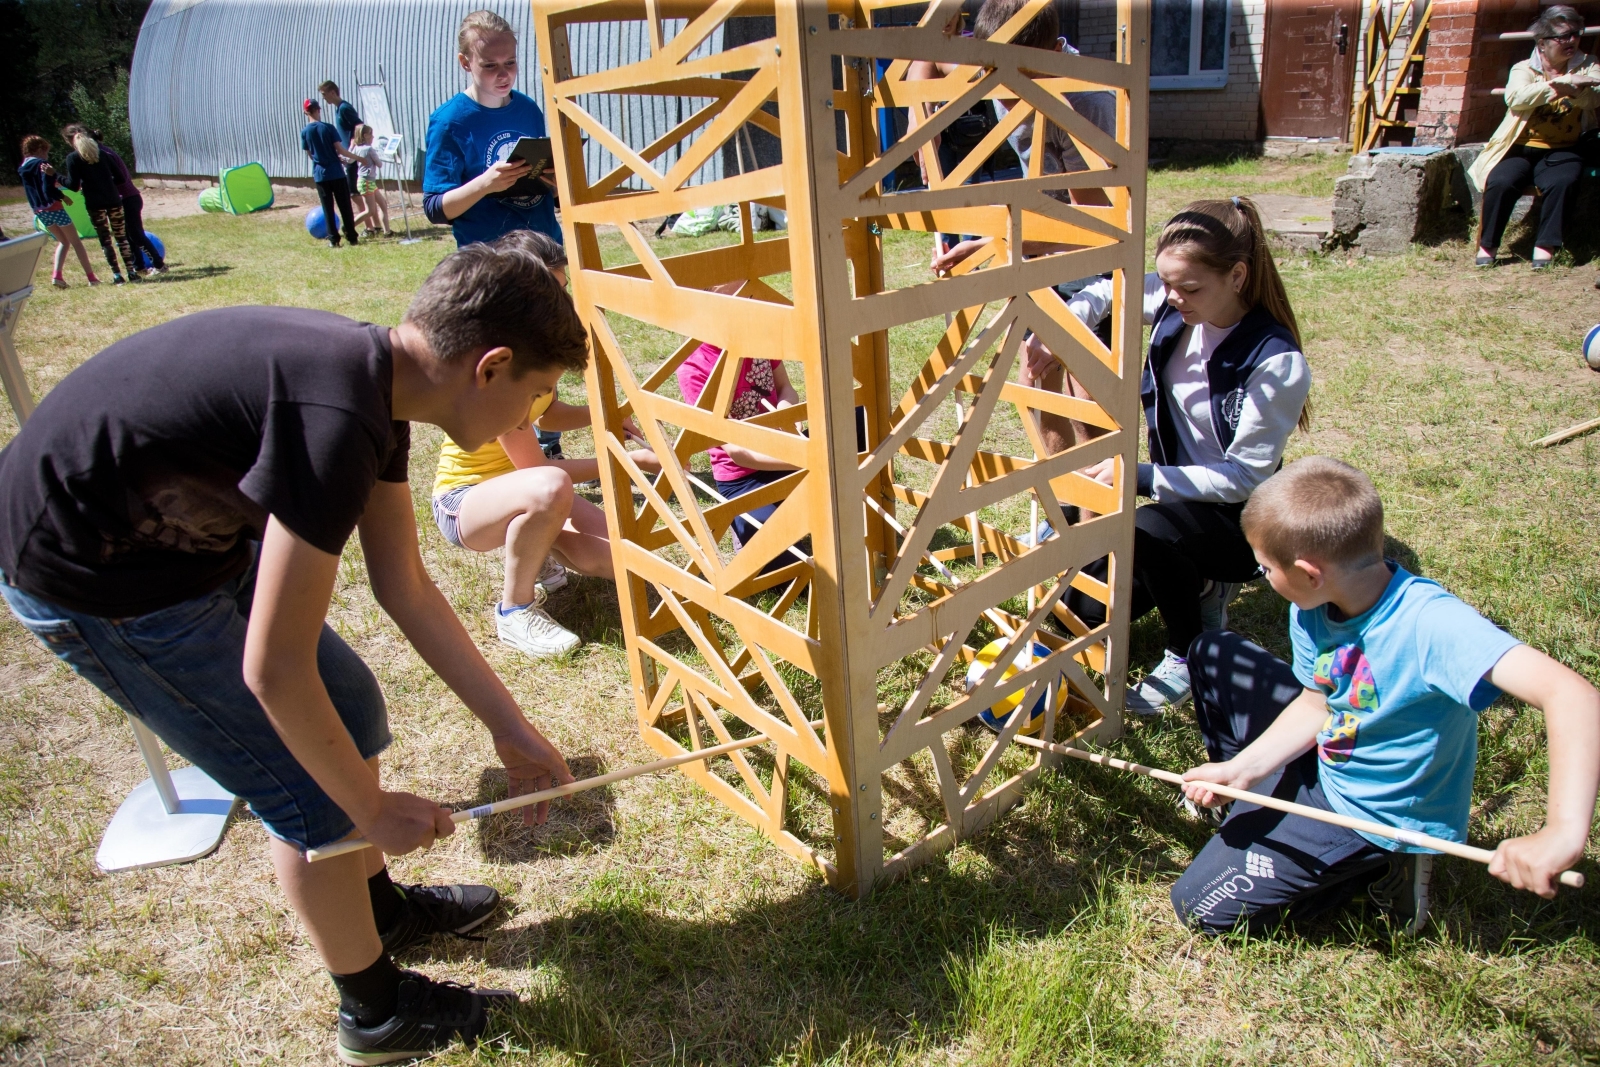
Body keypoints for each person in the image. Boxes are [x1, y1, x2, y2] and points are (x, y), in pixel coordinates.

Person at [0, 235, 583, 1062]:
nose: (531, 422)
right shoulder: (337, 414)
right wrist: (371, 810)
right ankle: (375, 1013)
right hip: (93, 575)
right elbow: (272, 669)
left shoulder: (380, 390)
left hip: (182, 547)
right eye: (536, 397)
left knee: (348, 709)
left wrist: (510, 726)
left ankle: (376, 910)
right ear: (488, 368)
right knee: (316, 794)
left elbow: (404, 586)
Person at [1170, 457, 1600, 935]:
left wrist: (1561, 832)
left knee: (1199, 908)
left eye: (1265, 567)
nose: (1263, 576)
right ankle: (1252, 807)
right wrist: (1239, 770)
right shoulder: (1316, 605)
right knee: (1213, 651)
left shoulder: (1431, 625)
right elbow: (1318, 704)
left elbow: (1574, 696)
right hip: (1334, 751)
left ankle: (1381, 863)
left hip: (1372, 811)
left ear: (1310, 573)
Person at [1064, 197, 1311, 714]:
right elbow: (1110, 292)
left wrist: (1141, 476)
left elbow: (1245, 479)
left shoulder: (1276, 362)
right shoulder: (1179, 300)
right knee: (1080, 610)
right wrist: (1071, 325)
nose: (1170, 298)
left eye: (1188, 288)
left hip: (1241, 522)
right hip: (1178, 498)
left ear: (1238, 275)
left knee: (1149, 531)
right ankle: (1195, 580)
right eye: (1165, 283)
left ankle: (1189, 651)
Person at [922, 0, 1118, 496]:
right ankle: (1065, 506)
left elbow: (1092, 224)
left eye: (1019, 81)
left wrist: (995, 244)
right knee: (1035, 377)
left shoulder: (1083, 101)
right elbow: (928, 59)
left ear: (1054, 53)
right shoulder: (1000, 58)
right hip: (1038, 236)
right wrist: (925, 125)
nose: (1006, 98)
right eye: (997, 78)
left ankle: (1093, 524)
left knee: (1086, 394)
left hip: (1089, 252)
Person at [432, 232, 660, 657]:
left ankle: (537, 547)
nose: (561, 305)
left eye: (563, 289)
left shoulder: (535, 351)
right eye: (552, 291)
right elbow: (536, 471)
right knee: (550, 487)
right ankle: (514, 611)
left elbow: (548, 414)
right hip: (465, 503)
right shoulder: (502, 367)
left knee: (618, 560)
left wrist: (606, 414)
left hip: (528, 489)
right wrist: (624, 460)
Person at [424, 10, 567, 458]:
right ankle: (510, 451)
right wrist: (486, 183)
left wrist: (553, 180)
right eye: (490, 65)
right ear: (465, 63)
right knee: (510, 360)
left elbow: (556, 180)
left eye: (510, 63)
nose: (503, 74)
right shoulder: (450, 122)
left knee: (550, 351)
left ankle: (549, 443)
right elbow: (435, 207)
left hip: (545, 254)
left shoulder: (527, 109)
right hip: (494, 267)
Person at [674, 308, 809, 572]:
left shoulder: (757, 338)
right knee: (788, 570)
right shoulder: (694, 368)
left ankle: (796, 508)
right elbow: (738, 452)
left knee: (857, 419)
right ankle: (745, 522)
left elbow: (785, 388)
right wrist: (808, 459)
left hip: (787, 451)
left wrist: (785, 410)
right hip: (743, 478)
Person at [1469, 6, 1600, 269]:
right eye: (1562, 37)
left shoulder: (1589, 64)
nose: (1572, 41)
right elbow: (1515, 98)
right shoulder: (1524, 68)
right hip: (1519, 146)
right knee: (1501, 180)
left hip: (1564, 147)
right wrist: (1556, 86)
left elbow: (1595, 98)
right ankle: (1489, 244)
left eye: (1576, 34)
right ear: (1542, 43)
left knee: (1564, 180)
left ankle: (1545, 245)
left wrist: (1575, 90)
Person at [84, 126, 167, 275]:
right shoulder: (103, 152)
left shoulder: (104, 154)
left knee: (136, 235)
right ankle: (139, 267)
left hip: (128, 198)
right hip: (126, 198)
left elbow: (120, 178)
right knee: (129, 236)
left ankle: (159, 265)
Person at [17, 135, 98, 288]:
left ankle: (57, 276)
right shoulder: (42, 164)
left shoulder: (23, 168)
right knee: (76, 243)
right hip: (54, 208)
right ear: (40, 149)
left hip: (40, 211)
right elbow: (47, 187)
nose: (47, 155)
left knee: (63, 241)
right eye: (46, 151)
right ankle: (92, 278)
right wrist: (62, 196)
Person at [59, 129, 139, 284]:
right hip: (113, 200)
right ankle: (131, 271)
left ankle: (117, 275)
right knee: (121, 237)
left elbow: (73, 185)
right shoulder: (103, 155)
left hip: (95, 204)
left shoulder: (73, 158)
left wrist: (56, 176)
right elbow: (121, 178)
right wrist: (107, 184)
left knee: (105, 240)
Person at [302, 98, 364, 248]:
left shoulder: (305, 132)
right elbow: (340, 149)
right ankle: (351, 237)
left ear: (306, 112)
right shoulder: (328, 128)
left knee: (327, 208)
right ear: (318, 110)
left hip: (320, 175)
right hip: (336, 172)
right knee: (345, 206)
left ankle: (333, 240)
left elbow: (310, 154)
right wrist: (358, 158)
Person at [319, 80, 364, 195]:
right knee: (353, 190)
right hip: (346, 154)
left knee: (353, 191)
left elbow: (359, 125)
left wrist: (353, 143)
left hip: (351, 153)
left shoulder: (344, 108)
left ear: (333, 93)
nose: (323, 98)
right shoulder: (338, 108)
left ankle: (368, 212)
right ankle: (369, 211)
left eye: (324, 94)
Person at [347, 124, 393, 237]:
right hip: (366, 182)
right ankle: (348, 226)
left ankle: (387, 231)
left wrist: (351, 147)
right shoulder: (369, 149)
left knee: (382, 203)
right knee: (370, 211)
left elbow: (349, 160)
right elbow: (380, 164)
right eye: (371, 134)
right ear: (365, 135)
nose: (373, 137)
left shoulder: (357, 148)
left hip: (367, 182)